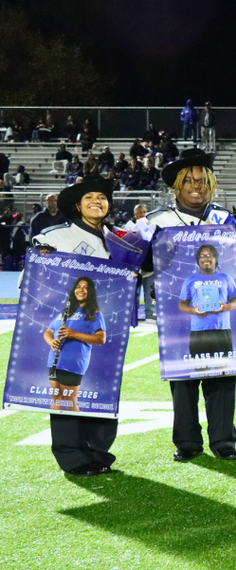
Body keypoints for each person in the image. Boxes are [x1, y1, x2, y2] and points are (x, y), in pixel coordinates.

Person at [144, 149, 236, 462]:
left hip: (219, 319)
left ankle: (223, 441)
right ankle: (187, 442)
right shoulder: (157, 222)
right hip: (177, 315)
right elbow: (142, 264)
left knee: (221, 378)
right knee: (183, 380)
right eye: (189, 181)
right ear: (177, 186)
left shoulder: (225, 220)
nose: (196, 186)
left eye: (202, 180)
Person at [32, 175, 118, 476]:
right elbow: (36, 270)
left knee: (105, 390)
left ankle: (99, 453)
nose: (98, 202)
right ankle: (72, 457)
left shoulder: (119, 237)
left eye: (103, 197)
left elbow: (138, 271)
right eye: (90, 197)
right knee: (64, 397)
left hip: (107, 323)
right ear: (78, 205)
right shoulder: (58, 236)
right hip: (70, 321)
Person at [176, 243, 236, 455]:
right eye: (203, 256)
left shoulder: (225, 278)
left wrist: (226, 307)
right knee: (188, 386)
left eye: (210, 256)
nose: (206, 259)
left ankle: (223, 443)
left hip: (221, 332)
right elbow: (182, 305)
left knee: (222, 386)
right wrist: (193, 311)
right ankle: (188, 444)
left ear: (215, 259)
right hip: (198, 334)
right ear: (198, 260)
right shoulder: (190, 280)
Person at [45, 277, 105, 413]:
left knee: (70, 402)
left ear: (90, 292)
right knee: (56, 400)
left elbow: (101, 339)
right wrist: (51, 341)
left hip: (72, 364)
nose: (81, 290)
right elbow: (48, 331)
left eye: (85, 287)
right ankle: (58, 433)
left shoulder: (93, 313)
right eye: (78, 287)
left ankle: (78, 433)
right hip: (54, 362)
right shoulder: (66, 311)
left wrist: (73, 334)